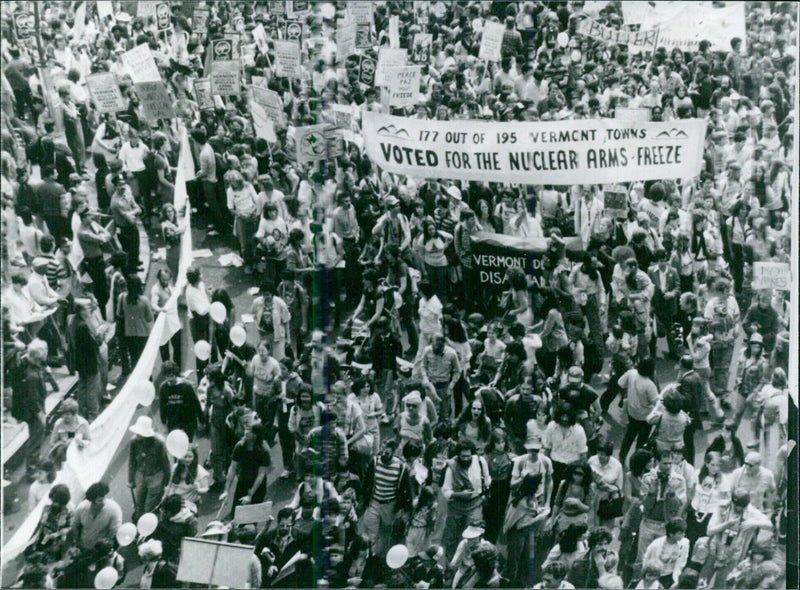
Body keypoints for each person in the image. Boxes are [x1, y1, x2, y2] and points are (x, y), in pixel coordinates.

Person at [359, 438, 413, 559]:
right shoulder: (375, 462)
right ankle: (369, 559)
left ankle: (379, 560)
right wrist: (363, 500)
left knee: (385, 535)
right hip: (374, 502)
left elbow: (407, 490)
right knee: (370, 533)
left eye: (387, 453)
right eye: (382, 451)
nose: (383, 455)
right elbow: (366, 482)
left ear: (393, 453)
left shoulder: (401, 467)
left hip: (390, 505)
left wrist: (405, 510)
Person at [441, 440, 491, 560]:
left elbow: (488, 480)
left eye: (468, 456)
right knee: (453, 537)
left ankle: (471, 563)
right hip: (456, 506)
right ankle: (450, 563)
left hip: (475, 505)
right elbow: (446, 491)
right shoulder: (452, 467)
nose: (465, 459)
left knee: (473, 536)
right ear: (458, 455)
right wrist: (460, 494)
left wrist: (482, 492)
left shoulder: (480, 462)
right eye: (463, 456)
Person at [127, 416, 171, 521]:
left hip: (156, 476)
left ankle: (148, 525)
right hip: (140, 475)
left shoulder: (159, 443)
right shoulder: (134, 441)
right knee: (139, 504)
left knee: (149, 508)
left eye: (140, 434)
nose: (137, 436)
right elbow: (132, 461)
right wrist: (130, 480)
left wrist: (166, 483)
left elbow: (166, 464)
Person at [70, 481, 122, 552]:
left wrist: (105, 546)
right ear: (92, 501)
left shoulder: (114, 509)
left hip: (101, 550)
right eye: (99, 501)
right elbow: (75, 526)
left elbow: (115, 532)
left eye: (104, 498)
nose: (103, 502)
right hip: (83, 547)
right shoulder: (81, 508)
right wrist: (78, 542)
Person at [642, 517, 690, 588]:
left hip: (672, 576)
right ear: (671, 534)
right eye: (680, 533)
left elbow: (683, 561)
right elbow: (646, 560)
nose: (683, 535)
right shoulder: (656, 545)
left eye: (683, 532)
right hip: (656, 576)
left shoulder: (685, 543)